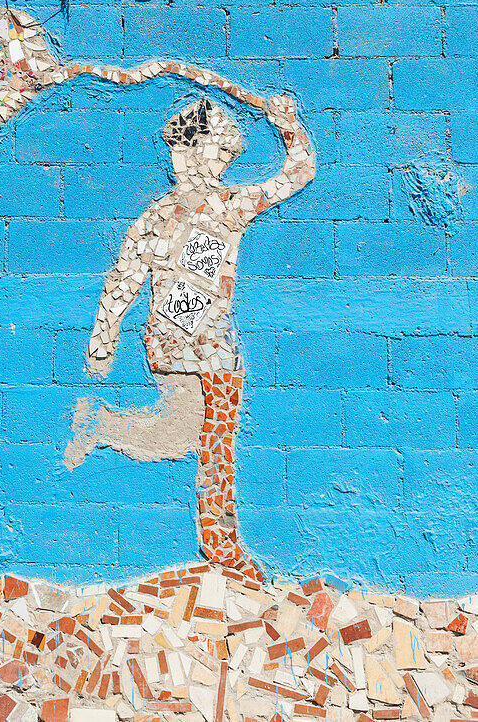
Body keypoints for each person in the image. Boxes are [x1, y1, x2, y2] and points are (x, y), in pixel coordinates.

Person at [65, 94, 315, 567]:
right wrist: (102, 346)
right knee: (188, 438)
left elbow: (298, 174)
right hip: (178, 347)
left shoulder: (224, 205)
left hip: (216, 349)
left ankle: (223, 545)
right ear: (187, 150)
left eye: (227, 155)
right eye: (217, 152)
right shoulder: (167, 216)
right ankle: (103, 425)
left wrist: (287, 123)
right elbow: (123, 281)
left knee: (216, 445)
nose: (221, 163)